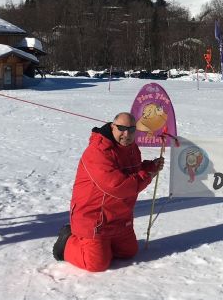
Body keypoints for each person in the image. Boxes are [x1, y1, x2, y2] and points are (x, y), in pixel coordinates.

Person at [52, 111, 164, 272]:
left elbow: (134, 171)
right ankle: (67, 242)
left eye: (132, 129)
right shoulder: (98, 151)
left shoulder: (132, 148)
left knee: (128, 252)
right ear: (112, 127)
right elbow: (118, 186)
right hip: (93, 218)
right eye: (122, 128)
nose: (127, 134)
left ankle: (102, 245)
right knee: (97, 264)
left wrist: (149, 166)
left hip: (118, 217)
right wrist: (147, 175)